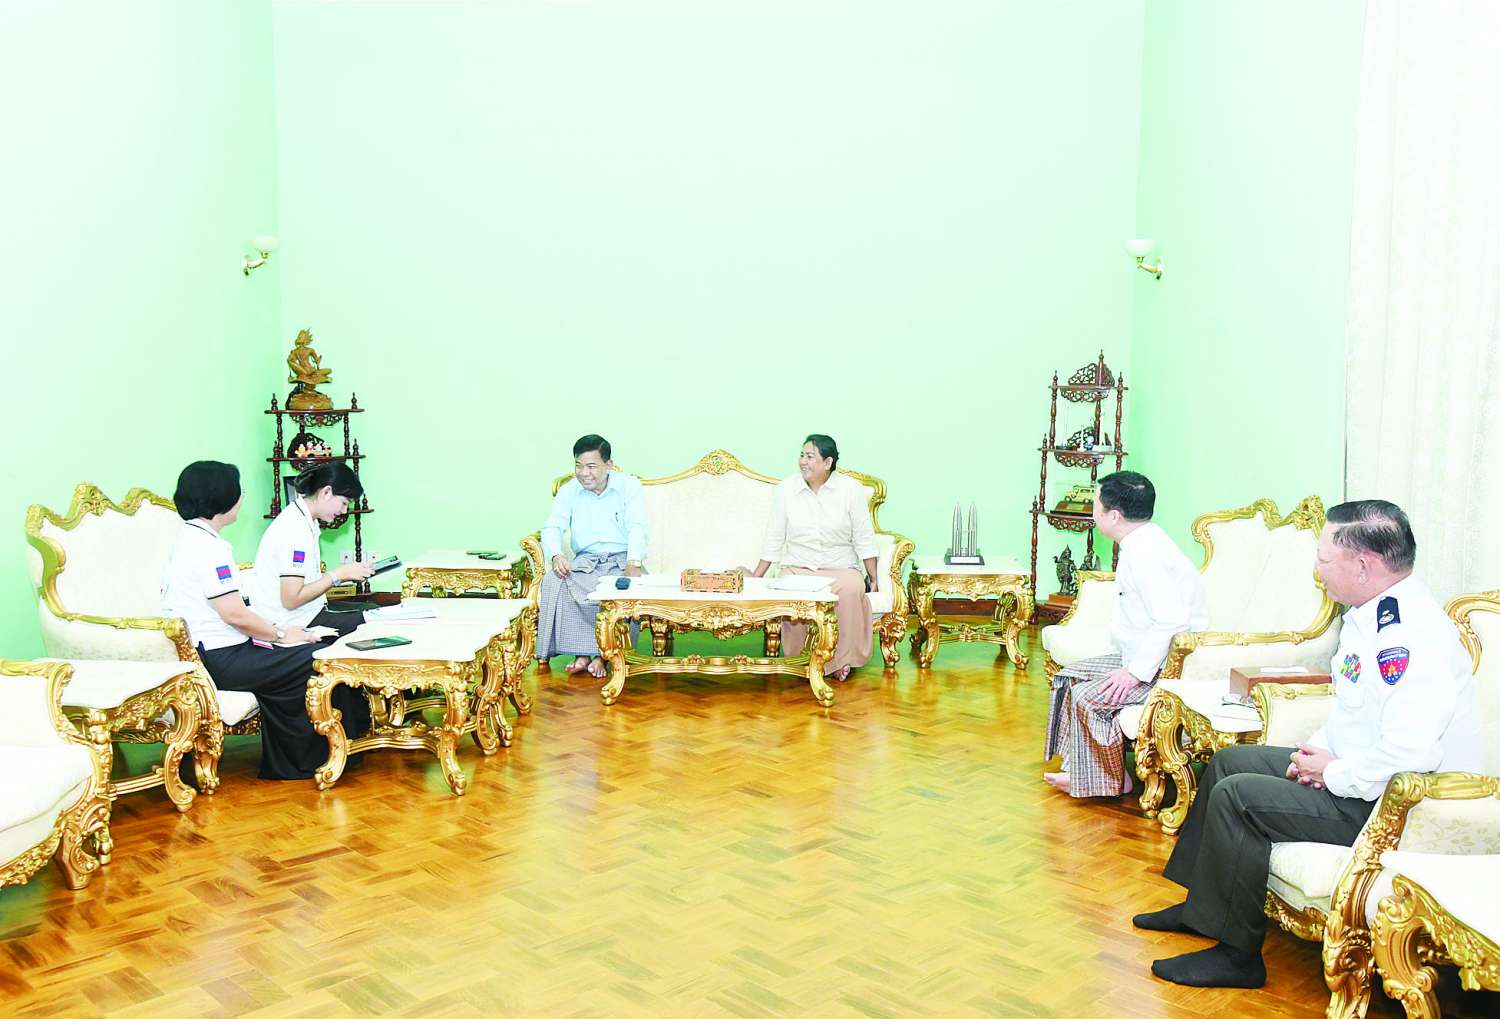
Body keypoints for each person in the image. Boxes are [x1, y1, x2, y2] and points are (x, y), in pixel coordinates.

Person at [1136, 500, 1480, 989]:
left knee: (1239, 797)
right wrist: (1312, 756)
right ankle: (1202, 909)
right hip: (1361, 775)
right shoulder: (1370, 618)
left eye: (1323, 559)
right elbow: (1352, 714)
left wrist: (1332, 773)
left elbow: (1410, 755)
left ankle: (1237, 957)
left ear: (1363, 565)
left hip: (1395, 806)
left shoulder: (1411, 637)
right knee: (1229, 763)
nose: (1317, 572)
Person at [161, 461, 371, 780]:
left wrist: (279, 635)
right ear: (222, 498)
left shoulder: (192, 540)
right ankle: (304, 760)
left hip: (220, 650)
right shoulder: (209, 549)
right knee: (318, 659)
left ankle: (320, 753)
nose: (241, 498)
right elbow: (233, 614)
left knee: (309, 650)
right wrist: (280, 635)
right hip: (221, 658)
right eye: (239, 491)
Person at [1043, 471, 1208, 797]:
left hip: (1166, 668)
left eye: (1096, 506)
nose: (1093, 513)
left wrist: (1133, 674)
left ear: (1114, 516)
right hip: (1140, 657)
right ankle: (1081, 769)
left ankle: (1112, 780)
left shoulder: (1147, 555)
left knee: (1088, 697)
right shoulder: (1142, 542)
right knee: (1068, 677)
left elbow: (1172, 621)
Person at [747, 435, 879, 681]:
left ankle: (841, 660)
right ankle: (802, 659)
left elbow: (864, 537)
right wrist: (756, 577)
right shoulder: (786, 489)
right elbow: (774, 537)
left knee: (851, 589)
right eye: (801, 455)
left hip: (840, 568)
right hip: (798, 567)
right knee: (790, 591)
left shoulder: (850, 490)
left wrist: (873, 577)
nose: (803, 462)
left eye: (810, 457)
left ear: (828, 462)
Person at [537, 435, 646, 678]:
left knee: (626, 588)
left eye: (591, 466)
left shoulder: (629, 486)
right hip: (586, 560)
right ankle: (582, 654)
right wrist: (556, 556)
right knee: (555, 580)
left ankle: (603, 656)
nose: (584, 473)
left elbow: (637, 527)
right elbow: (552, 527)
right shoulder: (569, 490)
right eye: (578, 465)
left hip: (621, 559)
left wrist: (634, 563)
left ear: (609, 465)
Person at [249, 461, 372, 638]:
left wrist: (343, 574)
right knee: (371, 622)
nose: (344, 511)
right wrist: (337, 575)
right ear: (326, 493)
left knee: (371, 612)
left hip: (306, 613)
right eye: (344, 503)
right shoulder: (294, 529)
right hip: (292, 623)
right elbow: (291, 599)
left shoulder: (303, 520)